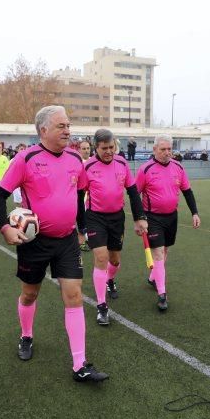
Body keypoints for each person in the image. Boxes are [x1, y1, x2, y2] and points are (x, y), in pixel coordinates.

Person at [0, 105, 109, 383]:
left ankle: (80, 364)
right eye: (61, 126)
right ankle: (26, 335)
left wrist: (81, 228)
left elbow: (79, 196)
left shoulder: (74, 159)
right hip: (35, 242)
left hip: (67, 240)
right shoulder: (25, 158)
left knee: (74, 295)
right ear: (43, 130)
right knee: (30, 294)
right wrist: (5, 228)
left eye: (68, 125)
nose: (67, 130)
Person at [83, 129, 147, 325]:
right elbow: (78, 196)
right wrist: (80, 225)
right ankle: (102, 306)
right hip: (95, 217)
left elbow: (133, 192)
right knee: (101, 257)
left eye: (112, 147)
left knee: (115, 260)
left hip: (117, 218)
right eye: (104, 148)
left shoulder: (122, 163)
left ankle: (110, 279)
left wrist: (140, 217)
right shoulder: (88, 167)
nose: (109, 151)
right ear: (96, 147)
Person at [136, 134, 200, 311]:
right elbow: (135, 195)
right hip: (152, 218)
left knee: (165, 251)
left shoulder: (178, 167)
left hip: (172, 217)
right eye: (163, 149)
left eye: (169, 149)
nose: (167, 153)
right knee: (157, 254)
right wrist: (139, 218)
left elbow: (187, 191)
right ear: (154, 149)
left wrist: (195, 212)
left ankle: (152, 278)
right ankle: (162, 295)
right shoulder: (145, 169)